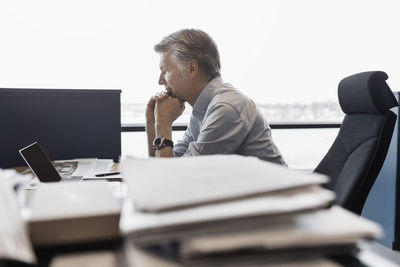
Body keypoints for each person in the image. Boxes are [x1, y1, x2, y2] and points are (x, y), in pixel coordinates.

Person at [146, 29, 286, 165]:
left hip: (278, 189)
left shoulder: (226, 108)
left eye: (165, 71)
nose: (160, 81)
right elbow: (166, 166)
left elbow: (174, 178)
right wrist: (152, 121)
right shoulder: (203, 110)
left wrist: (163, 123)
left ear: (191, 69)